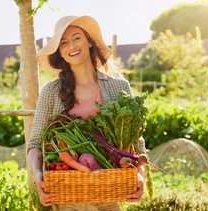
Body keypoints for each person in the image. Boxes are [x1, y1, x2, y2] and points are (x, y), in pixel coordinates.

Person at [27, 15, 145, 210]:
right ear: (60, 52)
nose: (71, 46)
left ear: (89, 41)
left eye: (76, 37)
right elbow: (34, 144)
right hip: (67, 196)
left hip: (109, 190)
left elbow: (135, 140)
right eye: (64, 42)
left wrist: (139, 173)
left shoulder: (118, 87)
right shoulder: (51, 92)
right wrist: (39, 176)